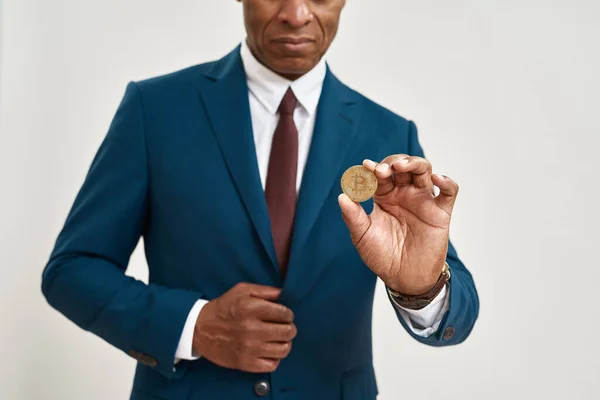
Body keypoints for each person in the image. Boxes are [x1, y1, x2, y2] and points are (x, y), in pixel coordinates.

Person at [41, 0, 479, 399]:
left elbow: (457, 314)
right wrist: (193, 326)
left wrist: (421, 288)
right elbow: (72, 270)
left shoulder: (389, 134)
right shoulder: (154, 110)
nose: (296, 14)